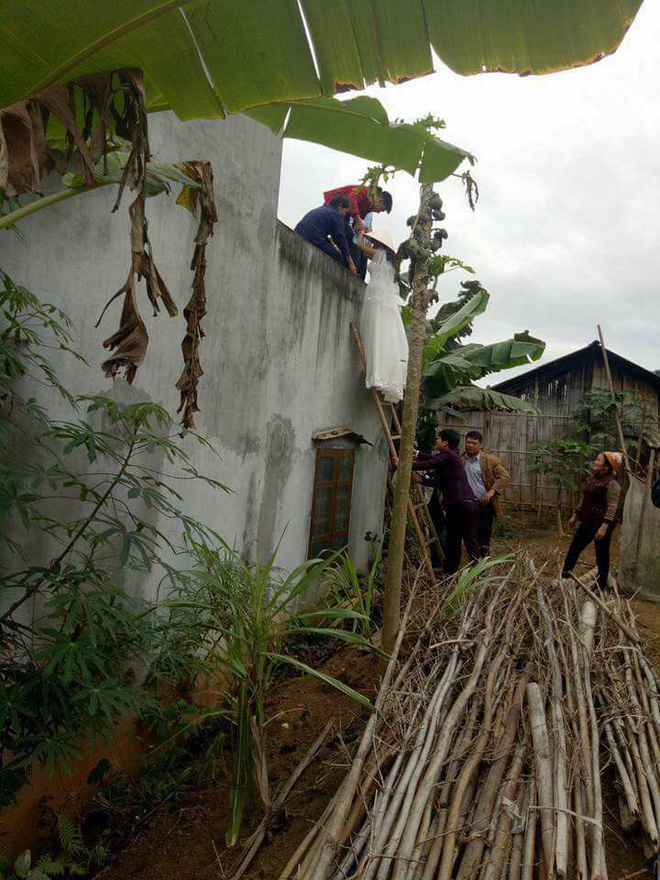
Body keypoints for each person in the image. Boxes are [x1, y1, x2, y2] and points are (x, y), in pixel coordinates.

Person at [410, 428, 480, 575]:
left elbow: (430, 463)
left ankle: (451, 569)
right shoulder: (452, 456)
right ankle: (477, 569)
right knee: (469, 538)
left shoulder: (448, 456)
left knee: (453, 539)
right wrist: (416, 454)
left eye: (438, 439)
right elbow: (432, 460)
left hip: (459, 505)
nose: (436, 441)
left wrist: (405, 464)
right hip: (469, 504)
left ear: (445, 442)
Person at [561, 451, 623, 591]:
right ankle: (564, 576)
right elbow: (584, 499)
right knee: (574, 548)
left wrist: (604, 526)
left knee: (602, 553)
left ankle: (601, 585)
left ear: (606, 467)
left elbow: (612, 507)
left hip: (601, 523)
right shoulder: (593, 479)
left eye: (598, 460)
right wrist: (575, 515)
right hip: (588, 521)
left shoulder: (612, 484)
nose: (595, 462)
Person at [358, 230, 407, 403]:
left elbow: (361, 247)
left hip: (377, 297)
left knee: (378, 332)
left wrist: (362, 233)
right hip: (383, 298)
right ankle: (380, 374)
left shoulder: (380, 254)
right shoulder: (387, 259)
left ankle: (377, 374)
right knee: (383, 334)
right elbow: (364, 251)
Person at [323, 184, 393, 279]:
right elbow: (351, 198)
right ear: (380, 201)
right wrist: (358, 219)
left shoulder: (368, 208)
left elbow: (356, 225)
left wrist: (364, 230)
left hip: (344, 215)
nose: (379, 212)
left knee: (354, 246)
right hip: (334, 206)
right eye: (382, 209)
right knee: (351, 243)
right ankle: (348, 270)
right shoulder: (366, 192)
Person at [461, 430, 510, 556]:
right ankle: (472, 562)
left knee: (483, 536)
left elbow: (504, 476)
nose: (470, 445)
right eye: (468, 442)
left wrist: (491, 492)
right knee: (468, 535)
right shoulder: (461, 460)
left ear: (480, 445)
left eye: (474, 443)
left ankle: (483, 565)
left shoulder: (489, 461)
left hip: (484, 504)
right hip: (465, 504)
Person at [294, 194, 357, 274]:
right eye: (345, 211)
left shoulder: (321, 209)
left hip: (299, 233)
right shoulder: (335, 215)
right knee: (337, 256)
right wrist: (351, 263)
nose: (344, 215)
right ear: (340, 206)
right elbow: (341, 239)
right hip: (313, 239)